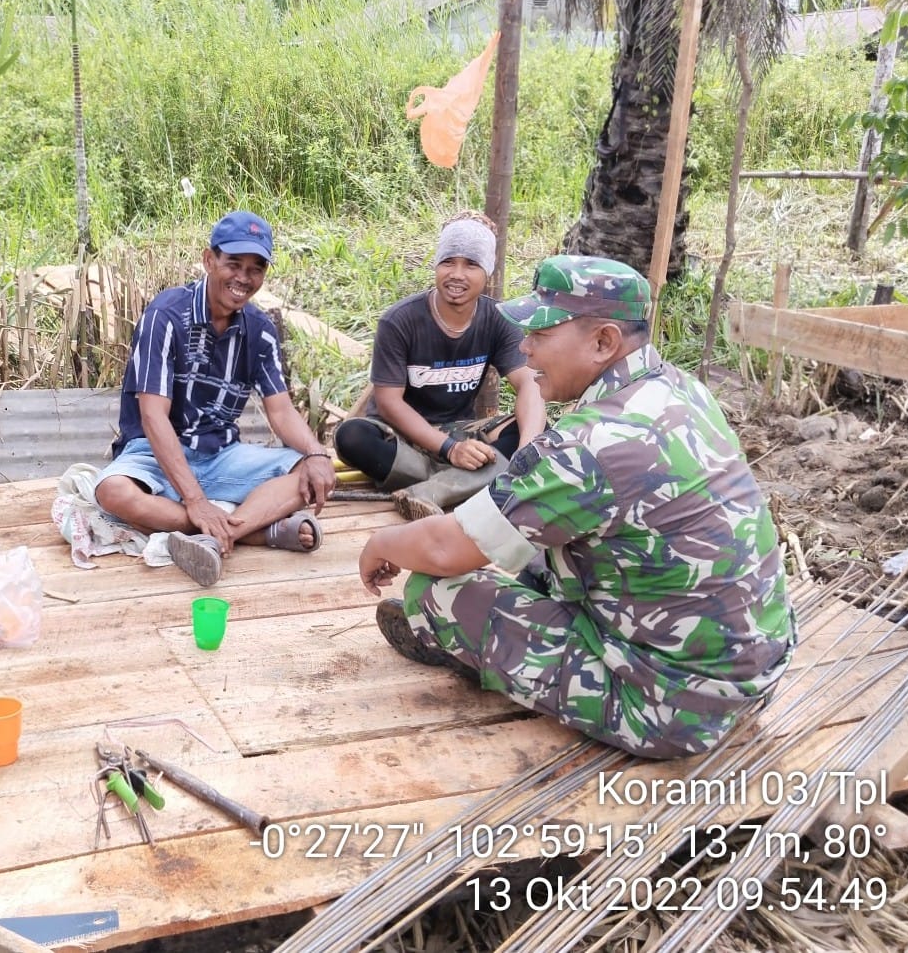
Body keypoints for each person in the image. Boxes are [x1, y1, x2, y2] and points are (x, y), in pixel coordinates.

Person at [359, 256, 794, 758]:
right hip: (753, 674)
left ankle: (481, 654)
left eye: (540, 334)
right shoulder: (682, 389)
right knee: (536, 553)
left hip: (671, 711)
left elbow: (445, 548)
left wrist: (380, 543)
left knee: (435, 591)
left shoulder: (590, 445)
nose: (525, 347)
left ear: (604, 342)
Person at [93, 211, 337, 587]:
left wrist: (317, 455)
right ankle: (253, 530)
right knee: (112, 491)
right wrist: (196, 501)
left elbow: (282, 411)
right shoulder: (165, 316)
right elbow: (153, 417)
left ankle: (220, 533)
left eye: (255, 269)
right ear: (209, 260)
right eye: (233, 264)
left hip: (221, 455)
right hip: (155, 454)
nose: (243, 278)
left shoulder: (260, 331)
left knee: (307, 474)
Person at [335, 211, 544, 519]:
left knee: (534, 428)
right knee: (351, 437)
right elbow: (389, 403)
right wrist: (449, 450)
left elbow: (530, 384)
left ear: (487, 272)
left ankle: (431, 490)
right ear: (436, 265)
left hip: (458, 430)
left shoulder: (498, 319)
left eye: (471, 264)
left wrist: (525, 453)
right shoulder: (400, 320)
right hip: (401, 436)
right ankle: (468, 481)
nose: (457, 274)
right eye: (448, 262)